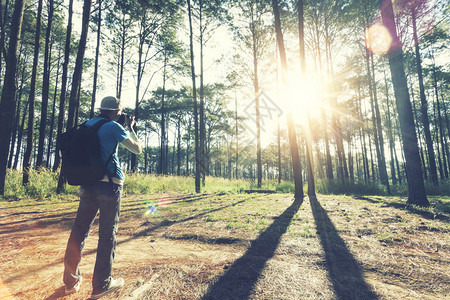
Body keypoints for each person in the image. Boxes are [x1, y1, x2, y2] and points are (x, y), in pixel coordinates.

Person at [63, 96, 142, 299]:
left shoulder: (88, 124)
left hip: (88, 184)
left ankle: (70, 282)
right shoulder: (113, 127)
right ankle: (102, 285)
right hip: (110, 186)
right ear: (117, 112)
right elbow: (137, 149)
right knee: (107, 235)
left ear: (101, 109)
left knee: (79, 231)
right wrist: (131, 127)